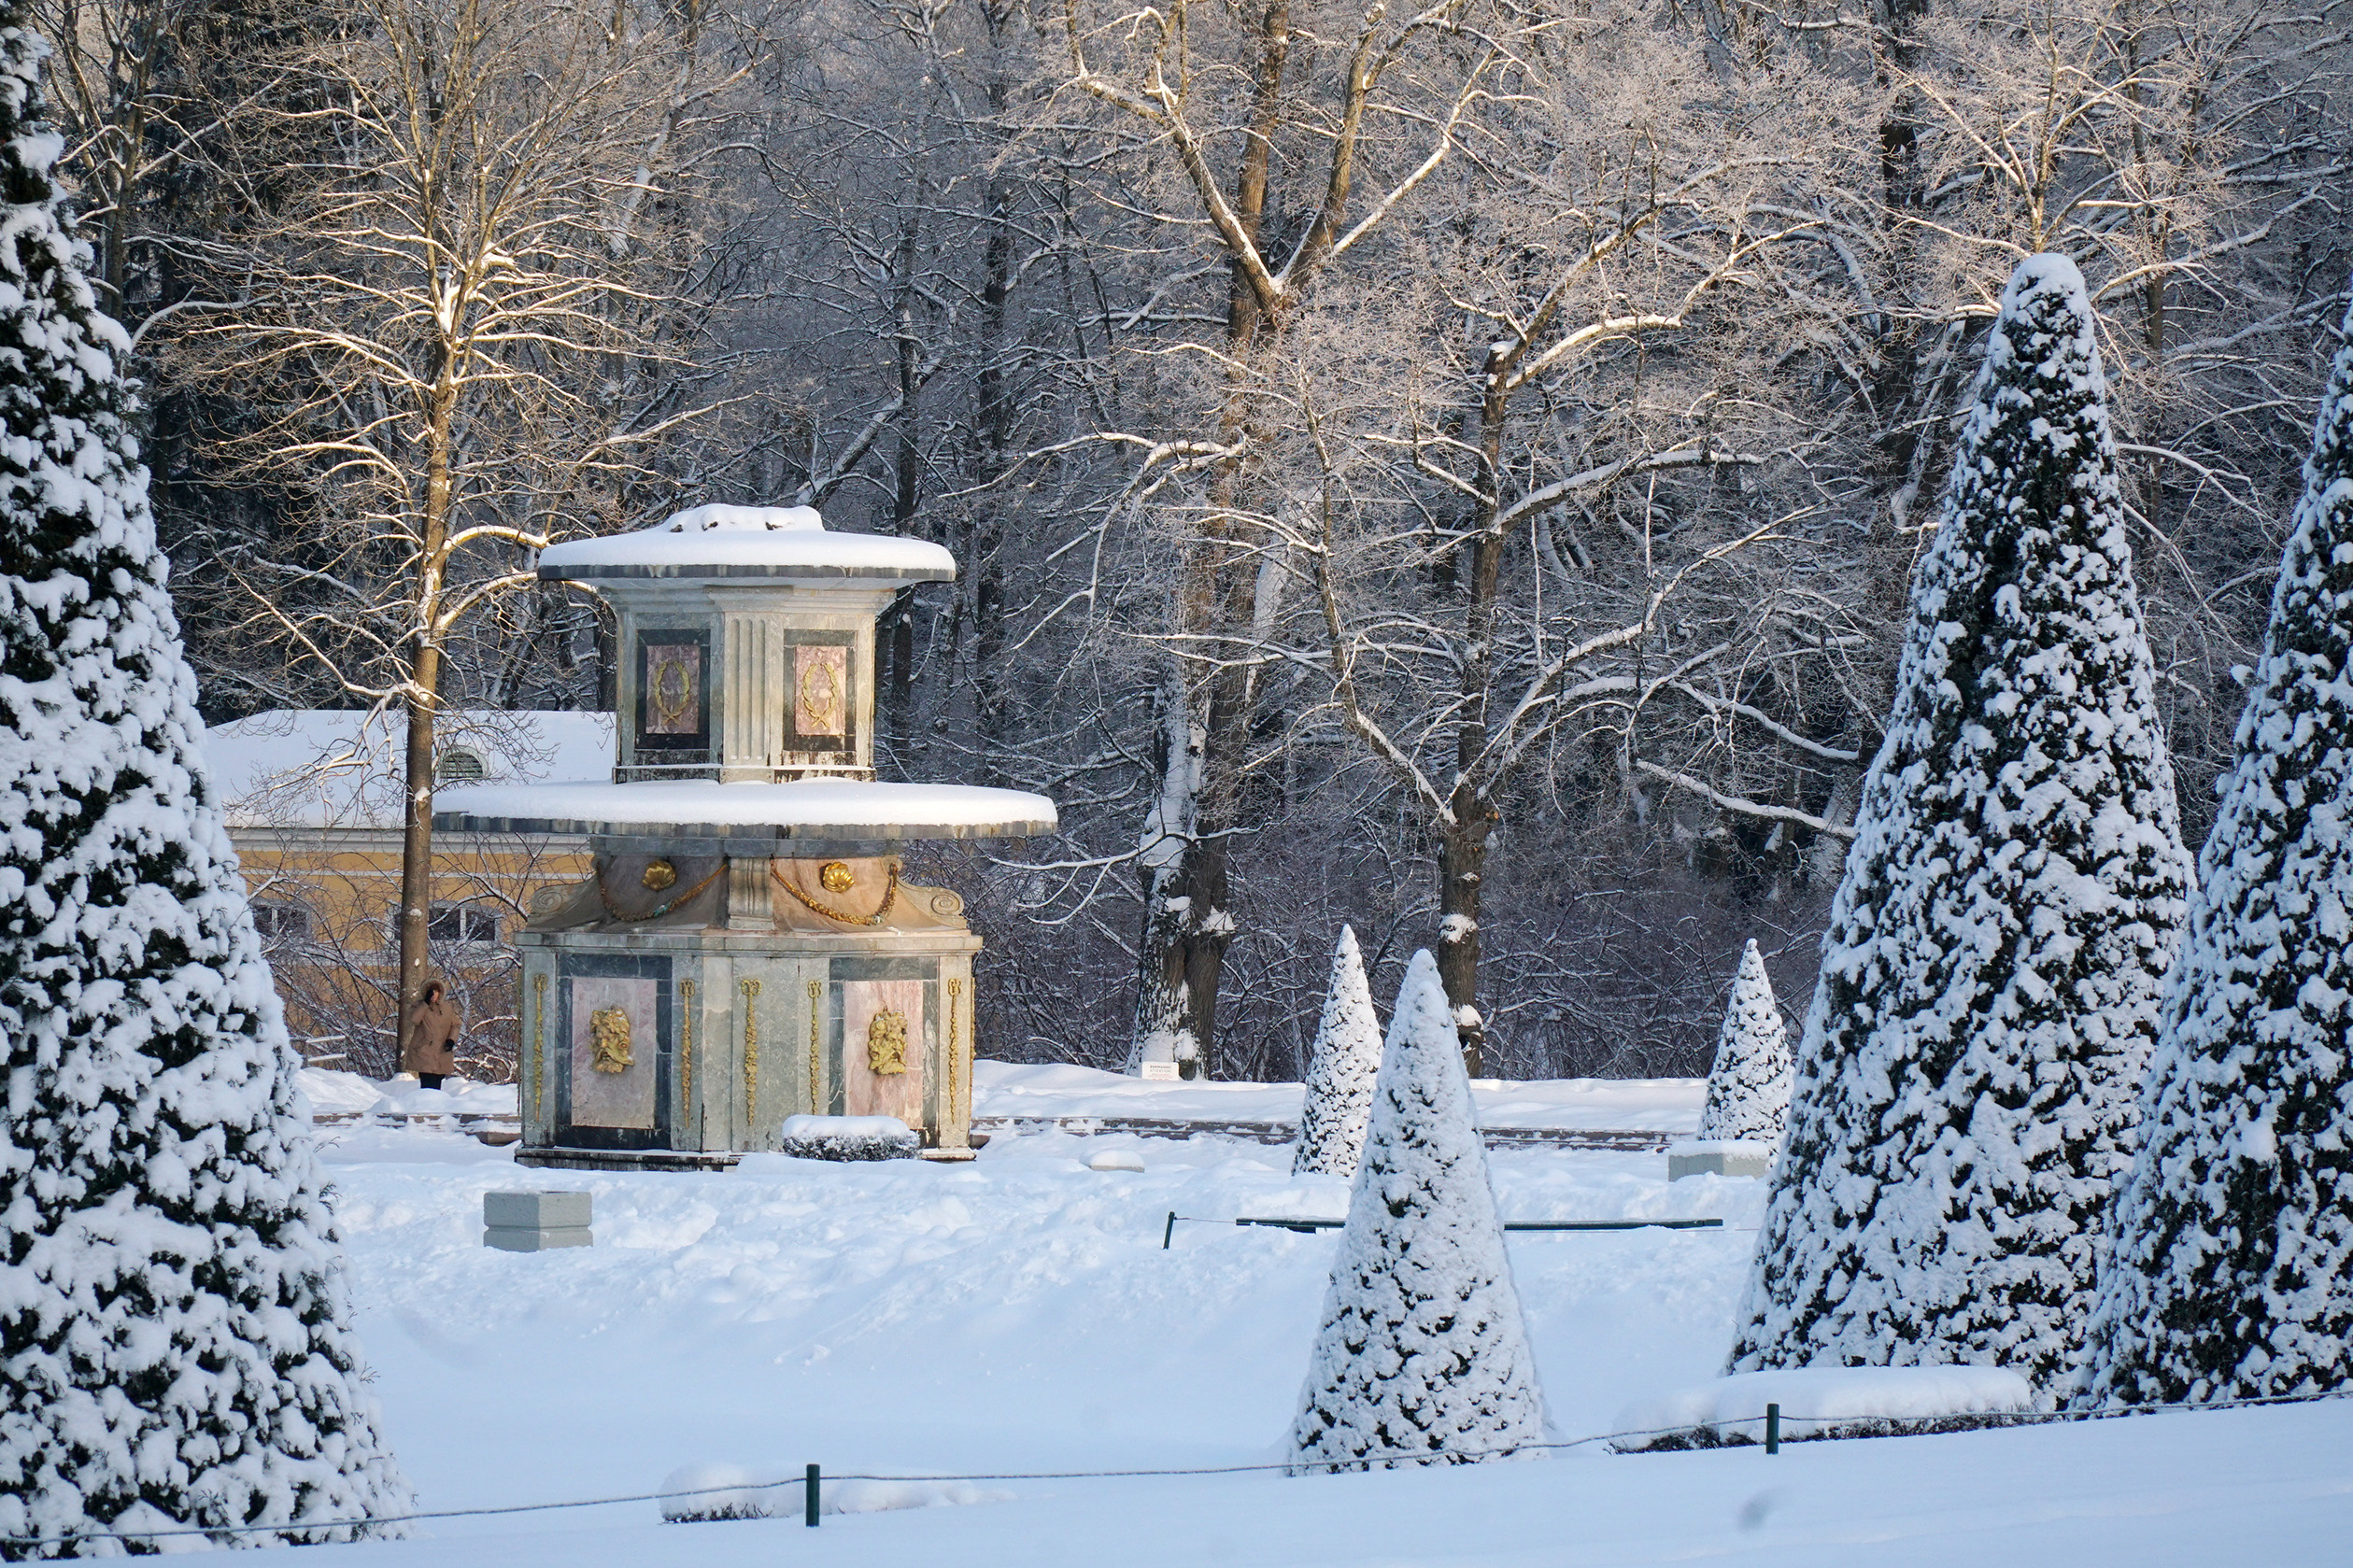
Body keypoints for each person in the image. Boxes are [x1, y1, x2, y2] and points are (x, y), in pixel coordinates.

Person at [404, 977, 461, 1090]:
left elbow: (456, 1024)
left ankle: (435, 1106)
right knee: (427, 1086)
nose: (434, 995)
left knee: (437, 1085)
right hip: (425, 1052)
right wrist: (425, 1003)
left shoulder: (446, 1008)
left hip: (442, 1052)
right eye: (431, 992)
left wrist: (451, 1040)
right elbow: (414, 1019)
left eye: (436, 992)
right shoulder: (419, 1006)